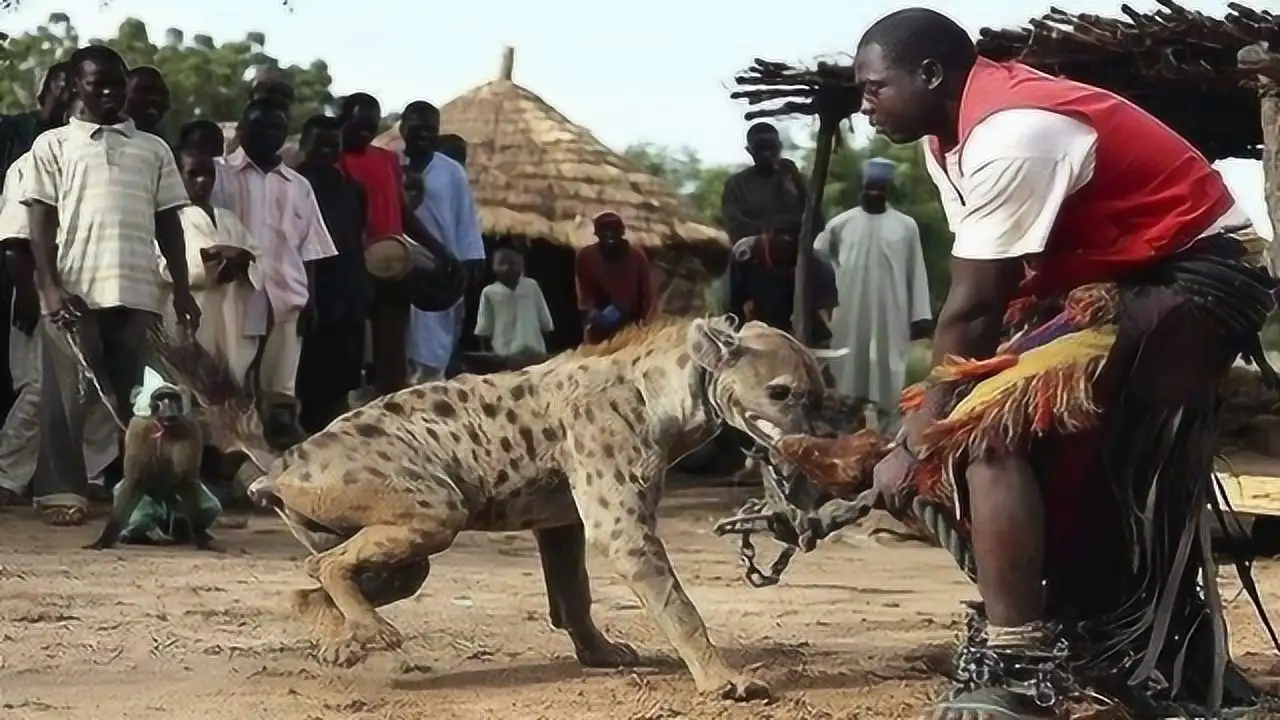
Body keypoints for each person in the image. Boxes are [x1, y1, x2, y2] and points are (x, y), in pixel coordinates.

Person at [853, 9, 1275, 718]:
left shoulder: (1012, 130)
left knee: (985, 431)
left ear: (930, 74)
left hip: (1194, 280)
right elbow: (996, 281)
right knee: (1020, 439)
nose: (864, 105)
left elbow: (974, 306)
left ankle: (1017, 666)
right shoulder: (944, 141)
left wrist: (922, 429)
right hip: (1116, 287)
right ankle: (1120, 641)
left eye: (873, 88)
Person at [21, 44, 199, 526]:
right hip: (75, 289)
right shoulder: (53, 145)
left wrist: (181, 289)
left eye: (116, 84)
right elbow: (39, 223)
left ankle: (152, 493)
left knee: (150, 401)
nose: (108, 92)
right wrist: (49, 287)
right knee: (67, 398)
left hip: (139, 290)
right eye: (96, 82)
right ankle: (60, 492)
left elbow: (169, 224)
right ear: (75, 86)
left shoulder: (153, 148)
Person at [0, 150, 118, 508]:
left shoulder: (116, 159)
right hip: (45, 292)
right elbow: (14, 238)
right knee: (39, 388)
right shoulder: (34, 161)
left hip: (101, 288)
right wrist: (28, 290)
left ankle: (90, 475)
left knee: (99, 387)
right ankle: (7, 476)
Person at [212, 99, 336, 437]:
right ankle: (230, 457)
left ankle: (274, 460)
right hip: (231, 298)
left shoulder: (298, 186)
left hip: (285, 299)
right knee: (230, 383)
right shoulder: (217, 174)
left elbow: (310, 247)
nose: (268, 135)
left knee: (279, 391)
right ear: (241, 130)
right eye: (259, 126)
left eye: (276, 129)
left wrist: (310, 298)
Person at [815, 157, 932, 429]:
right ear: (862, 187)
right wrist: (824, 297)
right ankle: (844, 430)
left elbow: (916, 269)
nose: (875, 193)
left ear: (888, 190)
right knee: (847, 369)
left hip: (892, 309)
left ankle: (889, 432)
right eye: (871, 187)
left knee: (888, 373)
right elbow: (818, 258)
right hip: (847, 309)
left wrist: (921, 316)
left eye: (881, 188)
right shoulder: (840, 224)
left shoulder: (906, 225)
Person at [0, 61, 72, 425]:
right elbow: (16, 230)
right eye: (65, 87)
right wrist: (28, 287)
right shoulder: (18, 140)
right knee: (31, 385)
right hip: (22, 275)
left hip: (67, 283)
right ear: (46, 90)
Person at [399, 101, 486, 382]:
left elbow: (465, 217)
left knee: (435, 338)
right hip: (398, 263)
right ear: (402, 129)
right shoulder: (391, 164)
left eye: (429, 129)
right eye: (415, 128)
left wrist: (471, 257)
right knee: (397, 335)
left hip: (441, 267)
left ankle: (429, 391)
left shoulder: (451, 171)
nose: (422, 134)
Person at [294, 115, 370, 433]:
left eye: (332, 144)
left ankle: (335, 430)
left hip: (347, 287)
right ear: (303, 145)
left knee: (343, 369)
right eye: (319, 143)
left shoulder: (352, 189)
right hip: (310, 286)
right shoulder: (294, 184)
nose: (326, 150)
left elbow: (357, 233)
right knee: (308, 369)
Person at [163, 148, 263, 386]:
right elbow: (162, 262)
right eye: (193, 174)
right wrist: (213, 259)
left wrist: (240, 260)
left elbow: (256, 256)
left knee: (229, 380)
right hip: (190, 308)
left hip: (229, 311)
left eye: (209, 174)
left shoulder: (227, 218)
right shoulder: (168, 219)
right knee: (189, 381)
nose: (203, 181)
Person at [336, 93, 411, 395]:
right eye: (359, 125)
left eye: (371, 126)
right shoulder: (333, 159)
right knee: (352, 342)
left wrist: (437, 248)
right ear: (343, 120)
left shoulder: (388, 159)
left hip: (393, 259)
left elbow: (402, 208)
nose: (366, 133)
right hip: (351, 263)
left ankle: (393, 402)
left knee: (392, 343)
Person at [728, 221, 838, 347]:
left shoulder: (818, 265)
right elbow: (732, 313)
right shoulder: (745, 256)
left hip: (806, 343)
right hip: (756, 341)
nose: (787, 240)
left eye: (793, 235)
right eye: (781, 234)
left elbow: (826, 315)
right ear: (767, 232)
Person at [720, 122, 818, 243]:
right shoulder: (735, 185)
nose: (767, 153)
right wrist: (773, 231)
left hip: (797, 248)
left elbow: (816, 221)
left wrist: (795, 187)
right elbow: (734, 225)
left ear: (780, 146)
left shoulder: (797, 179)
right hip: (754, 252)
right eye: (760, 148)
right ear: (749, 150)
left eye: (772, 147)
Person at [574, 212, 654, 344]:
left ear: (621, 234)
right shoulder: (586, 258)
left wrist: (641, 323)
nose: (609, 239)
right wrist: (593, 315)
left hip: (632, 329)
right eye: (604, 235)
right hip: (599, 329)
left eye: (613, 234)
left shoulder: (637, 258)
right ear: (597, 236)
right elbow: (585, 293)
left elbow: (646, 297)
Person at [474, 245, 553, 365]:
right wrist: (489, 359)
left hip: (534, 352)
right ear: (494, 267)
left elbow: (545, 323)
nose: (509, 267)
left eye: (514, 263)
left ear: (521, 265)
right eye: (503, 263)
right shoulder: (489, 292)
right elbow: (484, 330)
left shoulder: (532, 286)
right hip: (504, 355)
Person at [123, 65, 170, 137]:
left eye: (162, 94)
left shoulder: (161, 145)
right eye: (145, 91)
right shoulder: (104, 139)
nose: (156, 98)